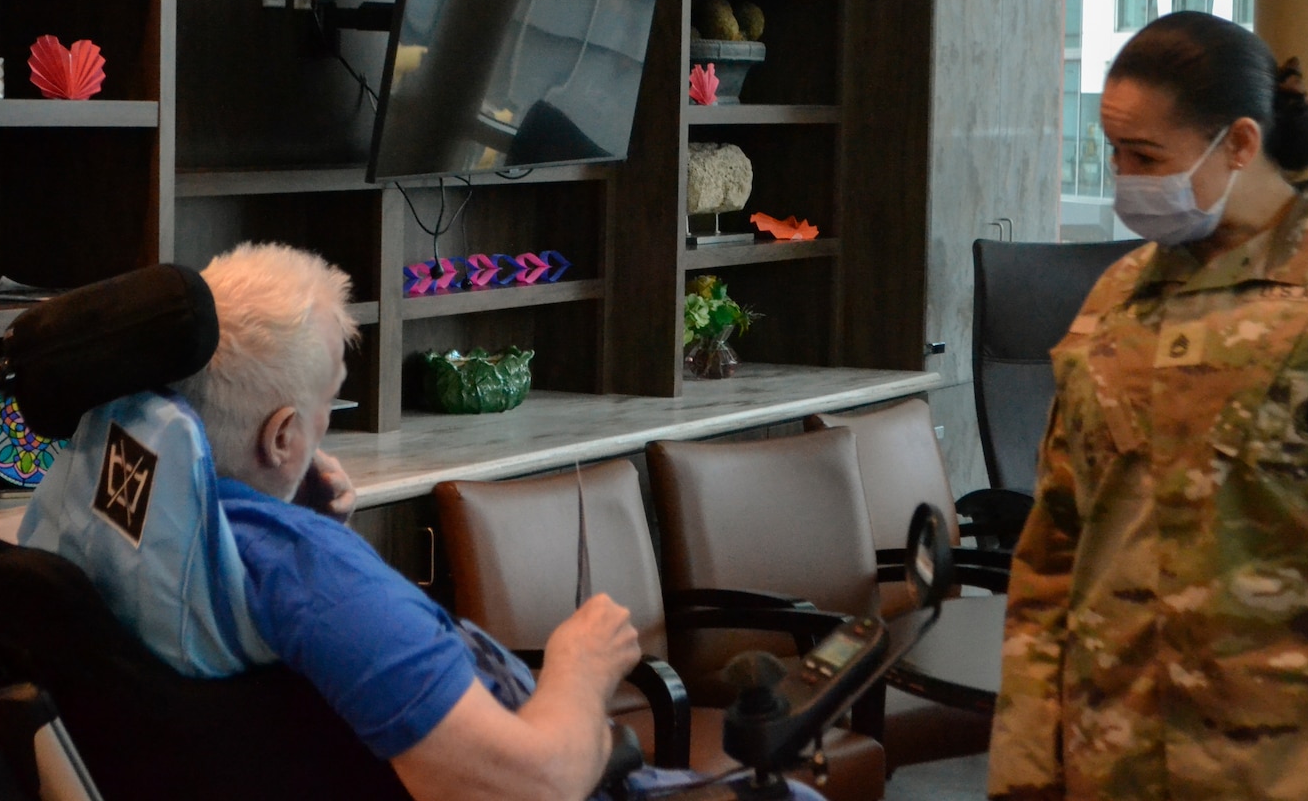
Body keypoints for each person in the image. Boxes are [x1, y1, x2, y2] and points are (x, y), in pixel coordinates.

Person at [986, 12, 1308, 800]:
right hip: (1116, 762)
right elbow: (1053, 556)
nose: (1123, 179)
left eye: (1145, 156)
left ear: (1241, 144)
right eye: (1114, 154)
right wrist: (1022, 773)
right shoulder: (1117, 299)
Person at [173, 243, 823, 801]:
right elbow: (533, 786)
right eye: (326, 411)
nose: (326, 436)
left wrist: (293, 512)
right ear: (282, 437)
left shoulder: (176, 526)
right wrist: (581, 665)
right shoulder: (314, 580)